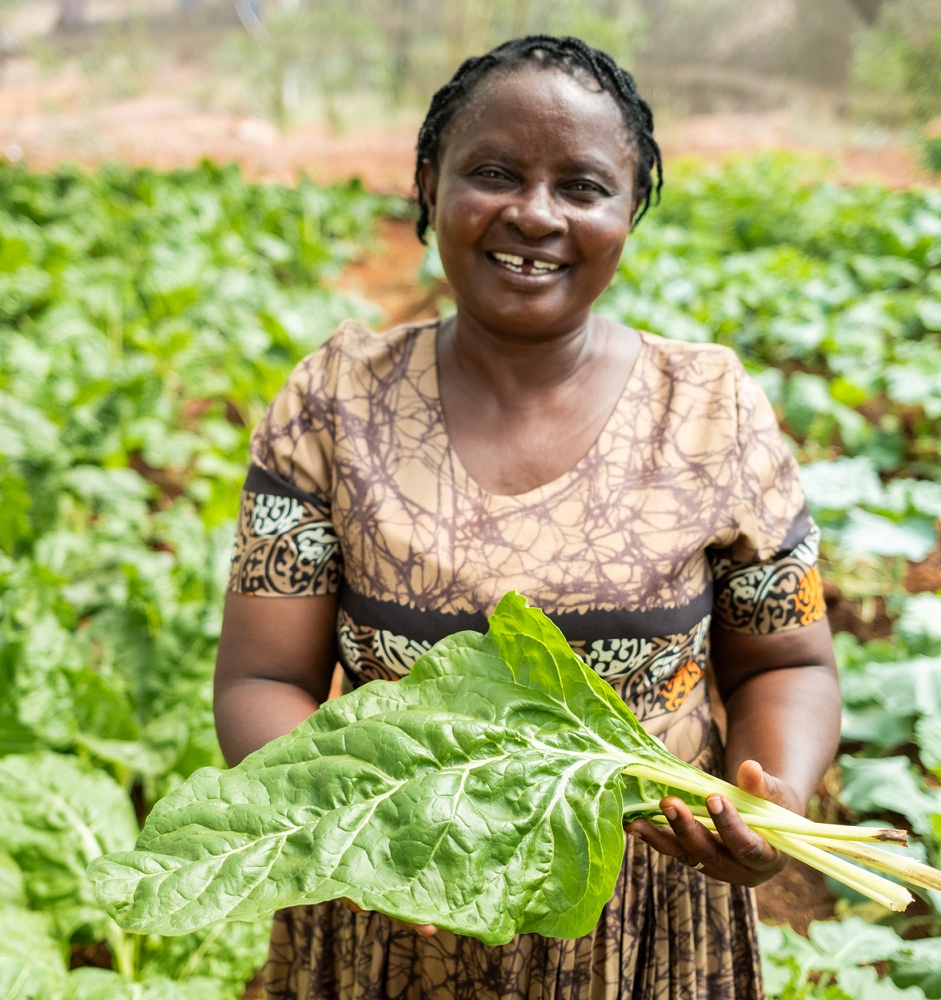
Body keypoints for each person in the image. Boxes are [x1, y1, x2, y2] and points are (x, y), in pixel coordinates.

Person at [213, 35, 841, 1000]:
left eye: (583, 186)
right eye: (494, 173)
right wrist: (359, 841)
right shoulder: (334, 402)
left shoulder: (711, 409)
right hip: (392, 902)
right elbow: (263, 676)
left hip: (643, 917)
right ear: (429, 186)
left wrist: (774, 805)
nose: (534, 214)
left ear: (630, 210)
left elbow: (785, 662)